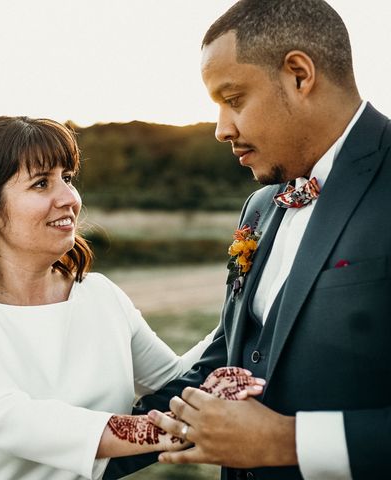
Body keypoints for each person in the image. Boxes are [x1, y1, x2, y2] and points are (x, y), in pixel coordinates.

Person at [105, 1, 391, 479]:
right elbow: (232, 352)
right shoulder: (260, 207)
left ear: (299, 75)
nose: (222, 129)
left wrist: (287, 442)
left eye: (233, 99)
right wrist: (81, 454)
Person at [0, 116, 259, 479]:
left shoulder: (99, 295)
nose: (69, 198)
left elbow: (175, 378)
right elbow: (7, 417)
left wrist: (252, 310)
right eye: (41, 183)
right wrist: (164, 430)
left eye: (68, 179)